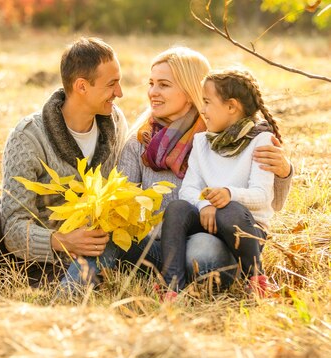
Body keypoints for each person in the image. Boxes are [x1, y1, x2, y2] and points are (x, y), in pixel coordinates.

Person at [62, 46, 292, 292]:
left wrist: (283, 171)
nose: (153, 92)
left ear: (191, 88)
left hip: (212, 245)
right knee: (107, 237)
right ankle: (69, 293)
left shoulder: (223, 136)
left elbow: (272, 203)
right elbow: (121, 209)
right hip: (160, 247)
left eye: (164, 85)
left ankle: (199, 279)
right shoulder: (140, 142)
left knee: (203, 250)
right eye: (151, 83)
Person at [0, 37, 128, 296]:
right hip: (13, 253)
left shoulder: (114, 123)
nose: (120, 93)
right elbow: (12, 227)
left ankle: (51, 288)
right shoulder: (29, 136)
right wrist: (63, 241)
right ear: (82, 86)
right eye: (112, 84)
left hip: (68, 263)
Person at [160, 68, 280, 297]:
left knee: (230, 210)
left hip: (245, 228)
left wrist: (227, 194)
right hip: (208, 221)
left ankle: (256, 278)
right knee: (176, 208)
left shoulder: (261, 140)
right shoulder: (202, 141)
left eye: (207, 102)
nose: (202, 110)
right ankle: (172, 288)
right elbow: (189, 188)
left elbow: (262, 196)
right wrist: (204, 205)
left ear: (231, 106)